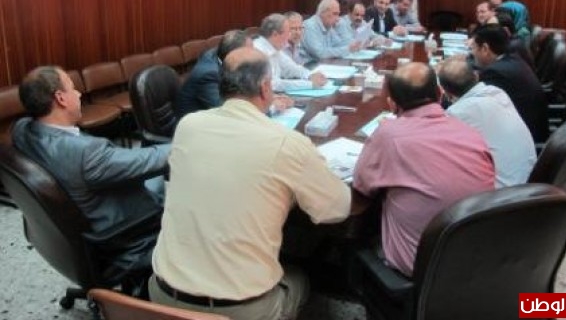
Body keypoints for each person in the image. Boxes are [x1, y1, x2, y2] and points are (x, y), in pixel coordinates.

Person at [149, 47, 351, 320]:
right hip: (241, 310)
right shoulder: (287, 143)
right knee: (301, 277)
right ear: (266, 87)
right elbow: (337, 209)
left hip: (161, 298)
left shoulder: (188, 126)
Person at [12, 66, 169, 280]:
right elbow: (149, 160)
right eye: (72, 88)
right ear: (60, 98)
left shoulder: (21, 130)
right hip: (122, 231)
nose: (79, 94)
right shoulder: (86, 154)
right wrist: (189, 140)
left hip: (77, 216)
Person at [352, 62, 495, 276]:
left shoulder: (389, 135)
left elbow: (362, 186)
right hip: (478, 257)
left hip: (421, 266)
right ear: (440, 94)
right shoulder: (470, 132)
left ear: (392, 104)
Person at [438, 58, 536, 188]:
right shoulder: (498, 93)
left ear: (446, 92)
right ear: (476, 76)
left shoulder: (457, 114)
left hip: (502, 194)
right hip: (530, 183)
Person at [470, 25, 549, 143]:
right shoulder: (513, 59)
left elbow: (476, 107)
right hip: (528, 130)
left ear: (485, 49)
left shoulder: (495, 73)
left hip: (522, 140)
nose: (472, 53)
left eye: (473, 48)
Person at [175, 30, 251, 118]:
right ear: (233, 55)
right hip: (194, 122)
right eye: (249, 52)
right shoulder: (208, 75)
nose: (253, 55)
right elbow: (224, 111)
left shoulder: (221, 53)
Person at [253, 13, 327, 92]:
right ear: (275, 34)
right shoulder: (259, 51)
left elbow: (291, 68)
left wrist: (310, 75)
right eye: (288, 32)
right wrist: (309, 84)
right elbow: (273, 85)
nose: (289, 36)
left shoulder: (274, 47)